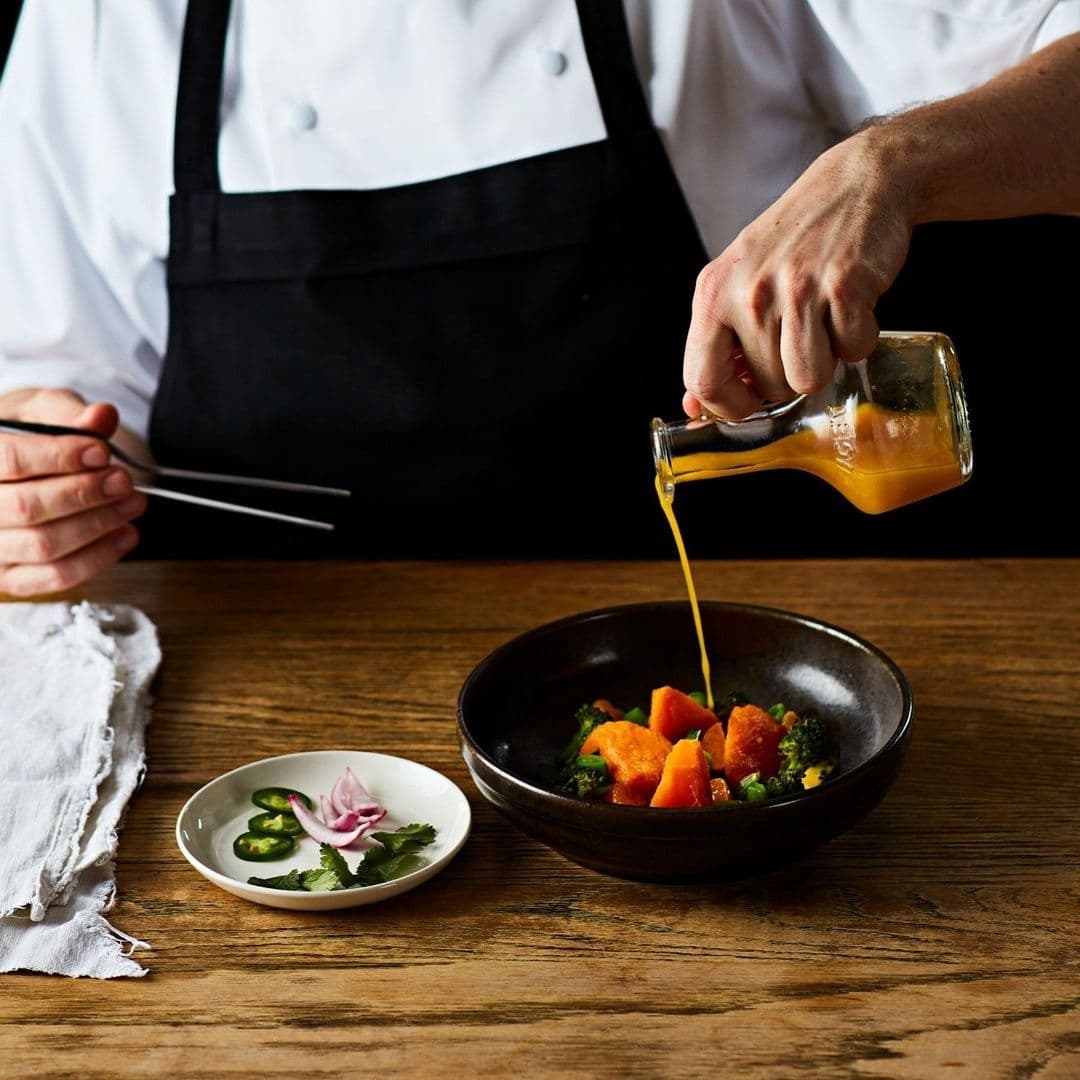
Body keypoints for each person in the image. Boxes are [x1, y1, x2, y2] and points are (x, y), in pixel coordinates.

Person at [0, 1, 1076, 596]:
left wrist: (889, 163)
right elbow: (57, 391)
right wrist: (45, 487)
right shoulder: (100, 19)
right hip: (275, 732)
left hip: (751, 642)